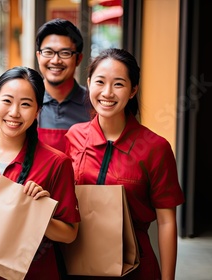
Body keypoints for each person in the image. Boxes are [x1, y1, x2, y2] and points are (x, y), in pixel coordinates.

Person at [65, 48, 185, 280]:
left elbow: (167, 221)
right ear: (89, 83)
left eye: (118, 84)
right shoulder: (73, 136)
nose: (107, 93)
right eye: (100, 82)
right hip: (78, 261)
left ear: (133, 91)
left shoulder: (155, 147)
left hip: (134, 266)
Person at [0, 66, 80, 280]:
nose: (14, 112)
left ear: (38, 111)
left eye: (26, 104)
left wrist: (38, 212)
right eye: (7, 101)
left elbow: (70, 234)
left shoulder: (57, 162)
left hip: (36, 273)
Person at [35, 18, 91, 152]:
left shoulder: (95, 105)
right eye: (48, 52)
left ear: (78, 59)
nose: (55, 60)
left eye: (65, 53)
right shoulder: (26, 102)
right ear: (38, 56)